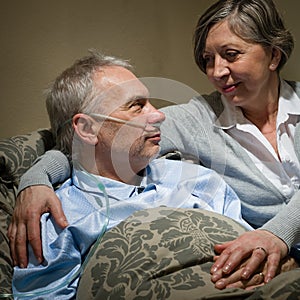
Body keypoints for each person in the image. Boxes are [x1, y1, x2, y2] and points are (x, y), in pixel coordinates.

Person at [8, 0, 300, 290]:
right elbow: (91, 144)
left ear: (273, 56)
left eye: (231, 55)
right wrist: (36, 180)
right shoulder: (197, 119)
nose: (216, 72)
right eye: (207, 59)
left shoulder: (201, 184)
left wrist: (277, 234)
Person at [11, 51, 254, 299]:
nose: (160, 115)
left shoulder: (200, 181)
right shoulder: (60, 219)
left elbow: (253, 254)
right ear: (87, 128)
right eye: (137, 106)